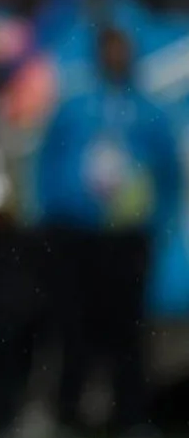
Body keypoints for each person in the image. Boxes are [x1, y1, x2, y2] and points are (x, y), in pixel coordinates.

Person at [36, 26, 182, 437]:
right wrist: (52, 212)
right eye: (109, 47)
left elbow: (168, 174)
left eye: (122, 47)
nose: (116, 55)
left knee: (126, 329)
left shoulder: (149, 112)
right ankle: (68, 411)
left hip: (127, 236)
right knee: (73, 326)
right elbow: (49, 160)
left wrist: (157, 223)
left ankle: (128, 414)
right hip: (76, 234)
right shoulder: (76, 107)